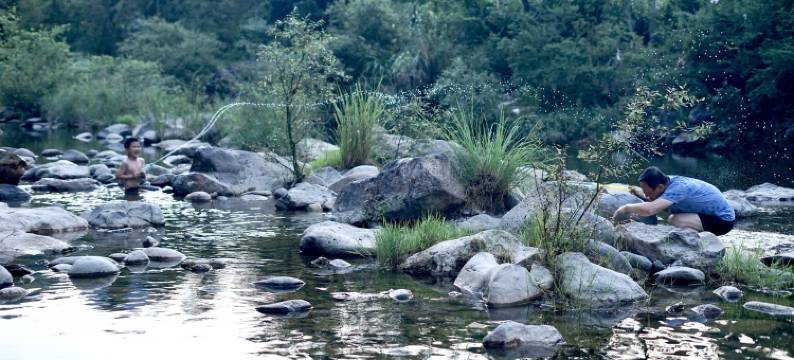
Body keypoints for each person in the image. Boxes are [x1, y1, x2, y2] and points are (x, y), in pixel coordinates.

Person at [613, 166, 736, 235]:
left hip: (723, 220)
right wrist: (634, 190)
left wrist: (626, 208)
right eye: (646, 194)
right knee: (673, 219)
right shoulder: (665, 182)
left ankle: (698, 242)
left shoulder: (678, 188)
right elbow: (650, 201)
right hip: (707, 214)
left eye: (650, 194)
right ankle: (696, 237)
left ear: (660, 187)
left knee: (674, 219)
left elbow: (650, 209)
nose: (648, 197)